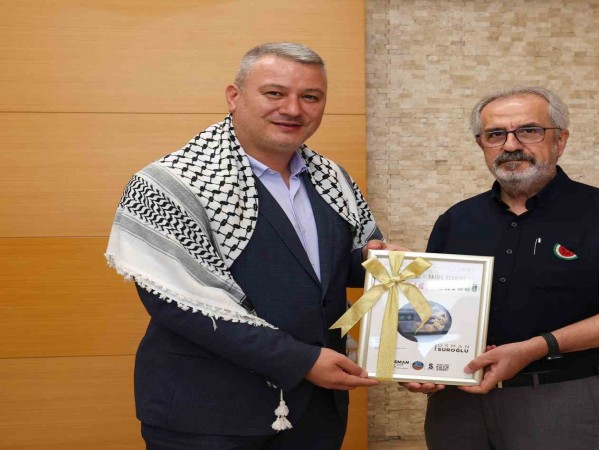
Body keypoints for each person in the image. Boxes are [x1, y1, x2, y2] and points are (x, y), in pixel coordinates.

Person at [106, 42, 395, 449]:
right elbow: (180, 302)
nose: (293, 109)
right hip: (208, 415)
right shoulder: (168, 185)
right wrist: (301, 361)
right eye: (275, 93)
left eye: (310, 97)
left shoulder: (333, 179)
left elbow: (334, 269)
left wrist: (377, 263)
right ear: (234, 96)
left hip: (314, 413)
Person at [404, 86, 599, 450]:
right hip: (457, 401)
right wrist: (415, 363)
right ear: (481, 144)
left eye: (529, 131)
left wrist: (535, 347)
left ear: (560, 140)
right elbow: (432, 311)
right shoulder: (456, 219)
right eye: (495, 134)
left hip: (561, 400)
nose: (511, 145)